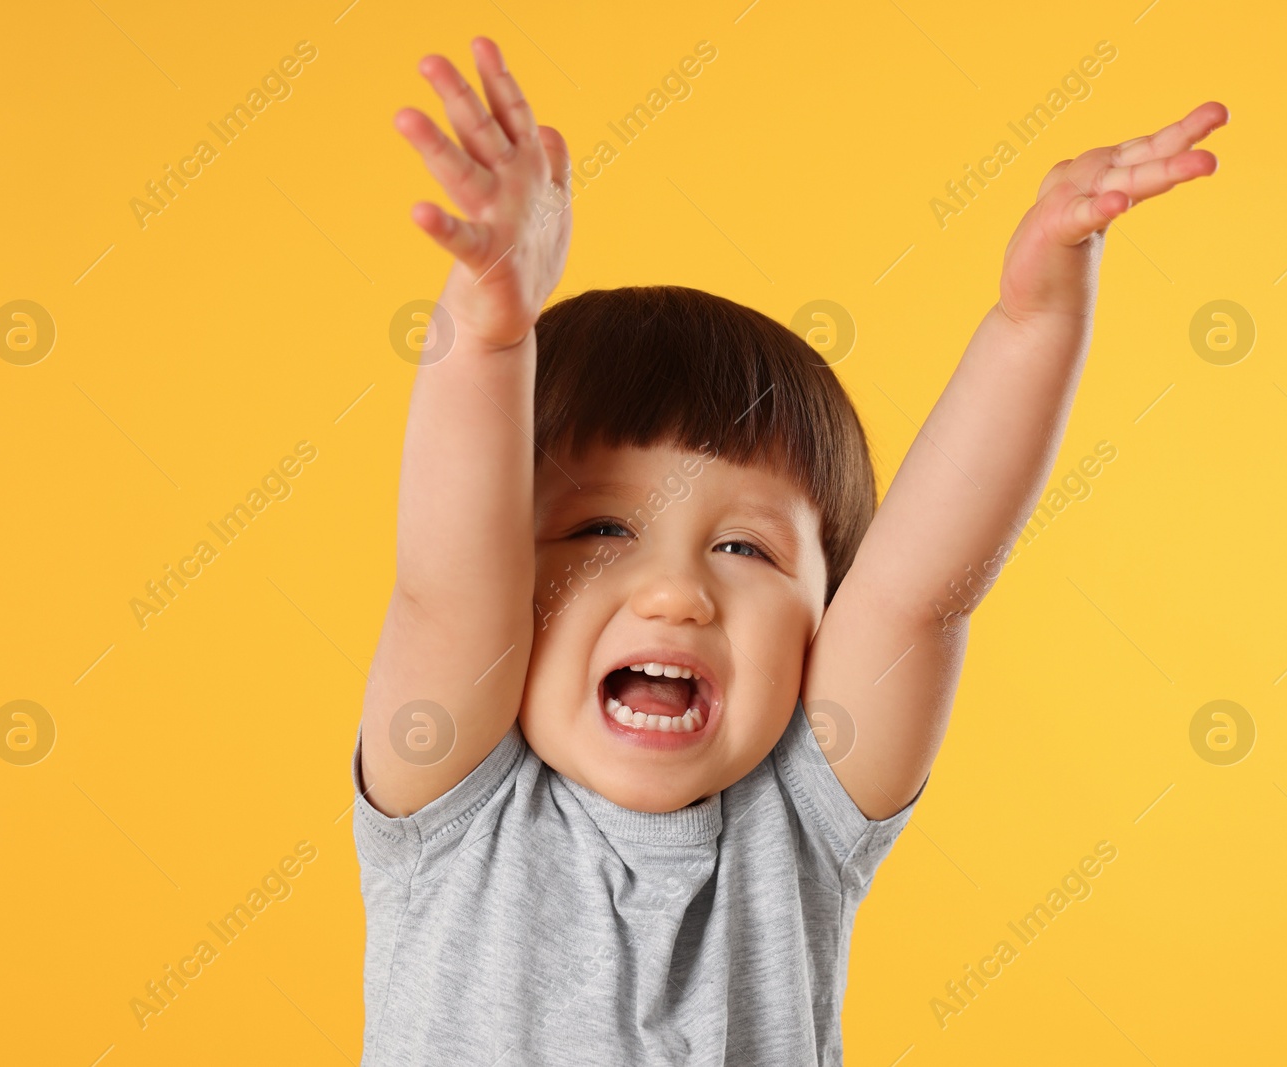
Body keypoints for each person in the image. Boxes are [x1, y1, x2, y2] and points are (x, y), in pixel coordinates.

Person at [353, 34, 1226, 1065]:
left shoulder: (801, 820)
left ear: (824, 618)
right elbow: (446, 591)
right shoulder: (455, 807)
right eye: (598, 530)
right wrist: (491, 330)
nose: (677, 592)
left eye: (744, 547)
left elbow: (919, 595)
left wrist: (1034, 316)